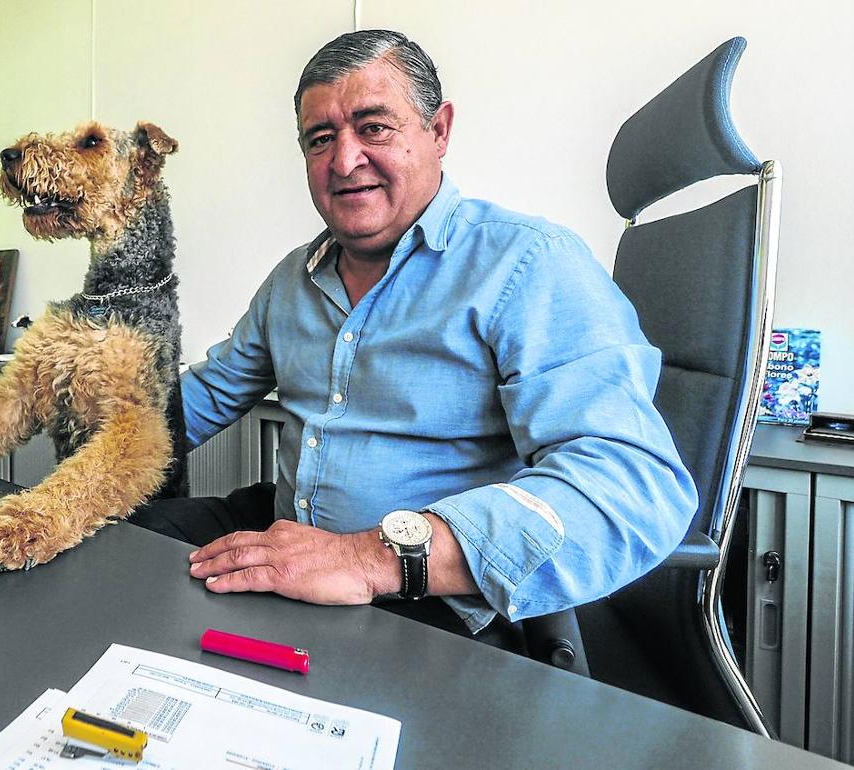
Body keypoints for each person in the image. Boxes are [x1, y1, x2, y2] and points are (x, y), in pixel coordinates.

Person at [130, 29, 698, 645]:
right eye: (321, 140)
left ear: (439, 130)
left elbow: (632, 487)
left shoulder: (529, 264)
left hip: (427, 598)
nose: (344, 162)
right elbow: (190, 407)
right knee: (109, 549)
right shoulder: (291, 281)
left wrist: (364, 558)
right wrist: (75, 402)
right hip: (293, 540)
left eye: (374, 127)